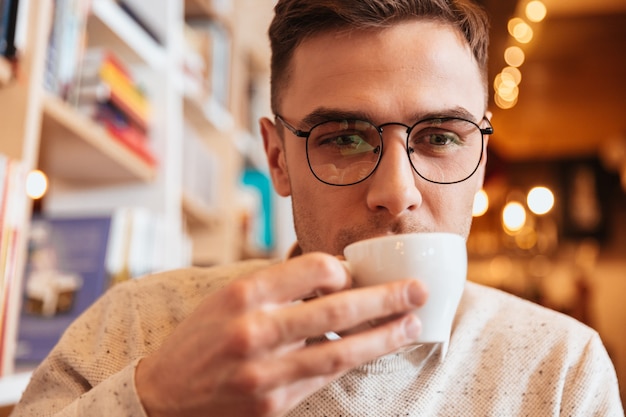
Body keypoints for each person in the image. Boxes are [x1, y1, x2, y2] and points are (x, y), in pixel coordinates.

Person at [11, 0, 623, 416]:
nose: (396, 191)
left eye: (439, 138)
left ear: (481, 160)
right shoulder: (135, 328)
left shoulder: (560, 369)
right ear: (277, 159)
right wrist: (154, 398)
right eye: (345, 139)